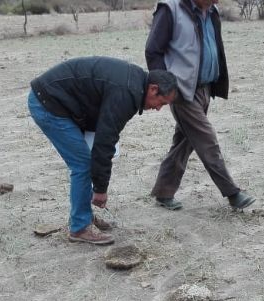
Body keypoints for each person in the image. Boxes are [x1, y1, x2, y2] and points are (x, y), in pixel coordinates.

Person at [28, 57, 178, 245]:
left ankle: (84, 217)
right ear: (153, 89)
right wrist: (100, 189)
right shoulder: (126, 93)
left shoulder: (135, 84)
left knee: (86, 161)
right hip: (49, 103)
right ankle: (80, 228)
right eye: (161, 102)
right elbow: (105, 141)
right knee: (82, 164)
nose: (158, 108)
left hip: (62, 101)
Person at [145, 0, 255, 211]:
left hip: (204, 88)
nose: (218, 0)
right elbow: (153, 51)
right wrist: (166, 86)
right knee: (206, 139)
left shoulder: (211, 11)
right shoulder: (170, 9)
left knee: (185, 141)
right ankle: (233, 193)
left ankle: (164, 192)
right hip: (181, 91)